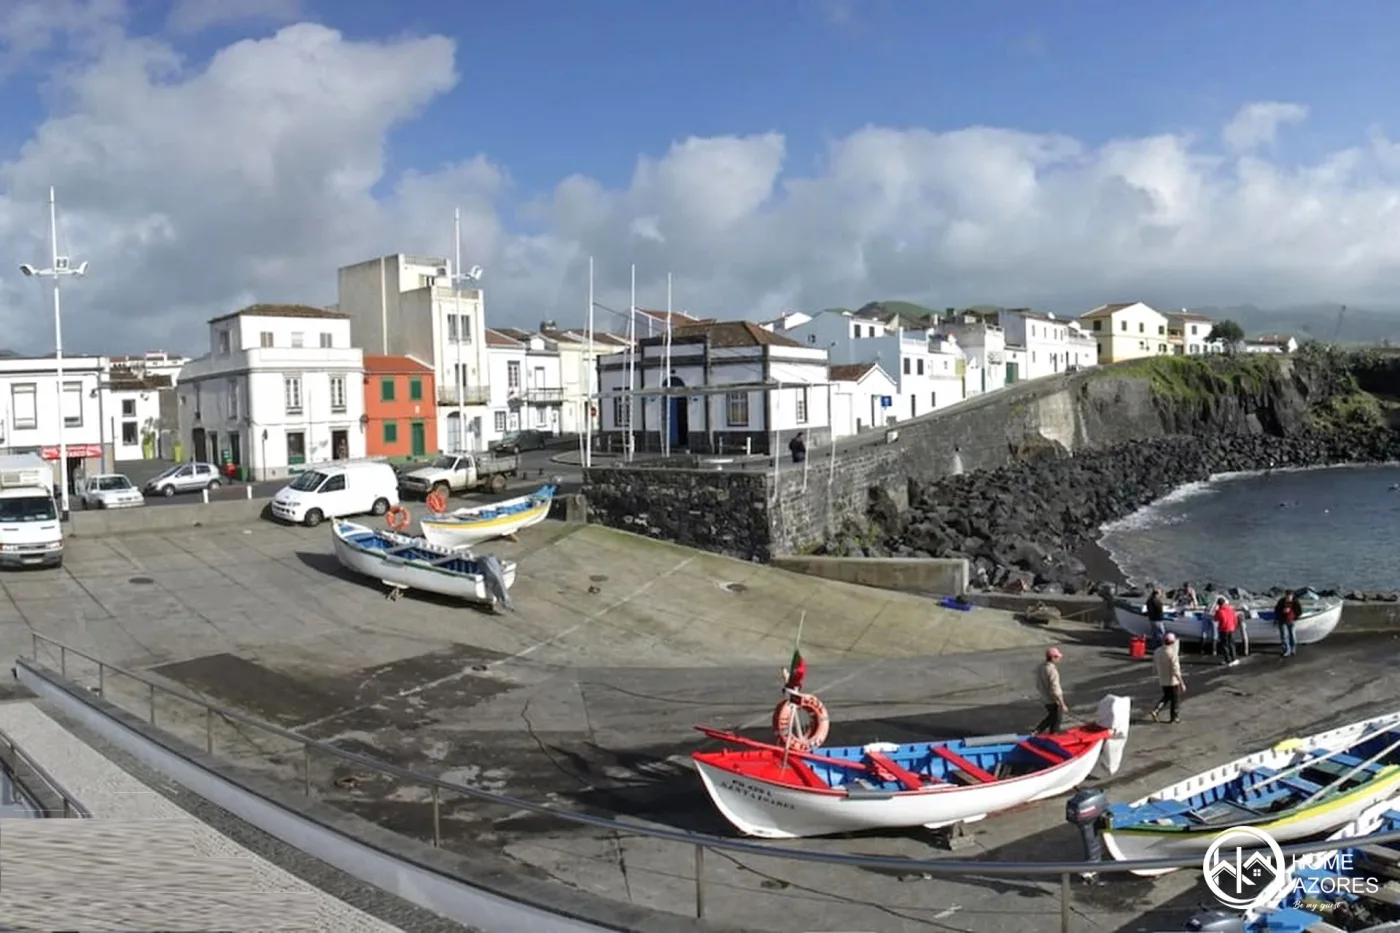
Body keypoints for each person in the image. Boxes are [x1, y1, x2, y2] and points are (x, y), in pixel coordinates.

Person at [1150, 632, 1185, 723]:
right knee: (1175, 699)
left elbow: (1155, 664)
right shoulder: (1172, 653)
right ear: (1173, 642)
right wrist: (1181, 682)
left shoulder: (1157, 651)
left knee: (1167, 696)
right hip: (1172, 680)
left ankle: (1156, 710)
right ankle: (1174, 717)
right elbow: (1175, 669)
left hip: (1163, 679)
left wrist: (1155, 673)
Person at [1033, 647, 1069, 734]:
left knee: (1052, 717)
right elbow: (1055, 688)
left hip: (1045, 697)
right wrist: (1062, 703)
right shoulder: (1052, 670)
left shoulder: (1041, 667)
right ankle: (1040, 731)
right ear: (1053, 658)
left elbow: (1038, 684)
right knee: (1056, 719)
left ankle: (1040, 731)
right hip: (1053, 699)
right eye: (1058, 657)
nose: (1060, 659)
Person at [1274, 590, 1302, 658]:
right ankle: (1286, 650)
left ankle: (1293, 649)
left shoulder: (1295, 601)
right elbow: (1276, 610)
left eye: (1290, 596)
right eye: (1287, 596)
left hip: (1291, 621)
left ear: (1292, 596)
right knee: (1284, 636)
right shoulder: (1281, 601)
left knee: (1292, 635)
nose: (1288, 598)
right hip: (1282, 621)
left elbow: (1300, 611)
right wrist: (1282, 611)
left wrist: (1295, 618)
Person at [1214, 596, 1240, 667]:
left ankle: (1227, 659)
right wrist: (1235, 626)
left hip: (1223, 629)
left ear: (1218, 604)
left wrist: (1216, 610)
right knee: (1231, 644)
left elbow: (1215, 619)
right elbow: (1235, 618)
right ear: (1224, 602)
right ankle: (1234, 659)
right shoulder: (1231, 609)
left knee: (1224, 645)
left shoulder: (1219, 611)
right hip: (1231, 628)